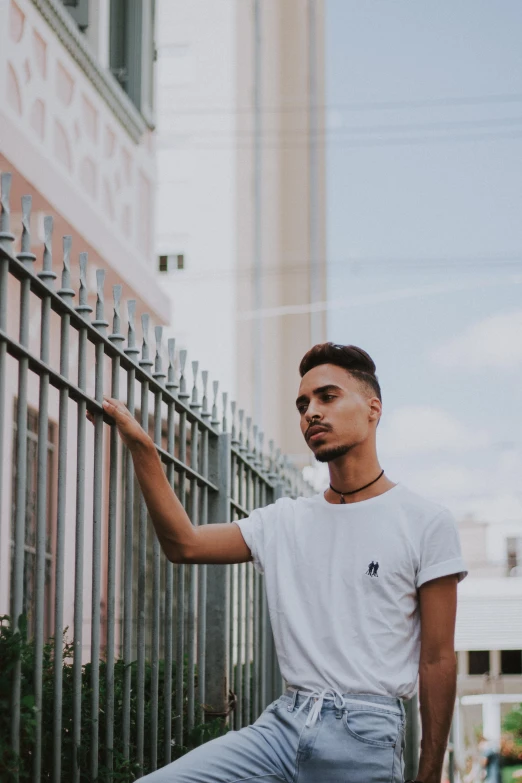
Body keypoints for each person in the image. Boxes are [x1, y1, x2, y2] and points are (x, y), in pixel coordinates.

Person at [90, 343, 468, 782]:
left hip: (365, 734)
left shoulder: (425, 521)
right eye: (303, 404)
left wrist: (429, 775)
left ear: (373, 408)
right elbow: (185, 544)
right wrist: (142, 448)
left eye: (328, 397)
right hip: (282, 726)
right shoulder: (284, 521)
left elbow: (438, 660)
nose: (311, 412)